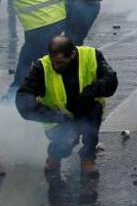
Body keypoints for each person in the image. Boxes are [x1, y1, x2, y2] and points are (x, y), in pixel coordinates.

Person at [15, 35, 117, 179]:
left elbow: (111, 80)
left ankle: (88, 158)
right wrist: (52, 115)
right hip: (57, 118)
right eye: (53, 62)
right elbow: (23, 99)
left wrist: (91, 91)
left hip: (86, 110)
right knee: (66, 143)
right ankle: (54, 155)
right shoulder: (42, 67)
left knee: (92, 119)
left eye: (61, 63)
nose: (56, 67)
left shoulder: (92, 55)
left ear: (73, 54)